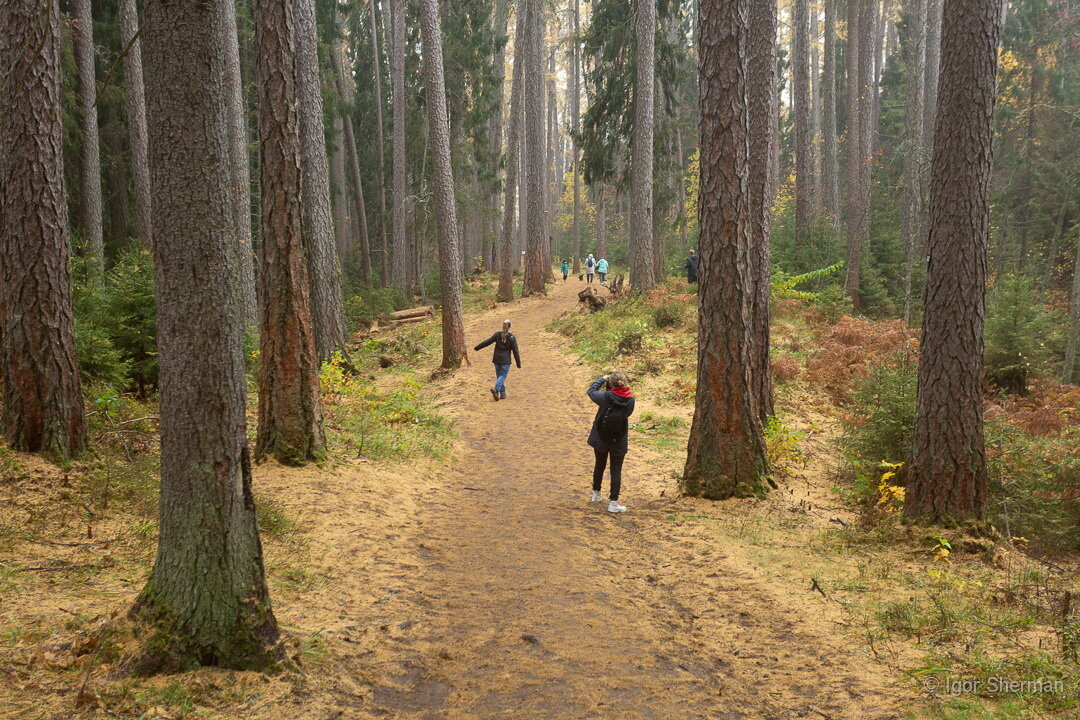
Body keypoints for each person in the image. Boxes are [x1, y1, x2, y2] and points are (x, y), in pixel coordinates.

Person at [586, 372, 635, 513]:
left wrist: (602, 379)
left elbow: (591, 391)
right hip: (619, 439)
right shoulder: (631, 400)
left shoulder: (605, 397)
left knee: (599, 464)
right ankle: (613, 503)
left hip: (601, 436)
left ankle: (596, 493)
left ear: (610, 383)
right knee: (616, 470)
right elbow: (626, 414)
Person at [474, 320, 521, 401]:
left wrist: (477, 347)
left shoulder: (497, 334)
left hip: (496, 359)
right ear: (509, 326)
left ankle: (502, 394)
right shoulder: (511, 337)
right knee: (503, 376)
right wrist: (518, 363)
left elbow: (487, 342)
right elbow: (515, 351)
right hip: (505, 360)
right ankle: (496, 390)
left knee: (499, 376)